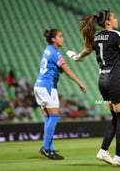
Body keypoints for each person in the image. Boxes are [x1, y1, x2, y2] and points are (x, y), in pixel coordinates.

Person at [67, 10, 120, 168]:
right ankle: (119, 156)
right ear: (108, 22)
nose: (117, 19)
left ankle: (103, 151)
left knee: (115, 118)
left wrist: (76, 57)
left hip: (103, 81)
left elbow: (86, 51)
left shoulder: (96, 37)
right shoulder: (116, 35)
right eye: (114, 17)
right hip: (116, 80)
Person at [34, 29, 86, 160]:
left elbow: (58, 69)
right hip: (48, 87)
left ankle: (49, 148)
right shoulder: (56, 54)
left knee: (48, 117)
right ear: (53, 39)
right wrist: (80, 82)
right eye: (60, 36)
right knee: (55, 116)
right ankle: (46, 148)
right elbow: (67, 70)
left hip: (39, 86)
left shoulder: (48, 50)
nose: (63, 38)